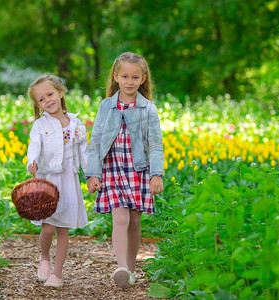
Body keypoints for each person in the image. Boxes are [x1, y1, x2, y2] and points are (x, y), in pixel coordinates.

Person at [86, 52, 164, 288]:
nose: (129, 82)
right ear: (116, 77)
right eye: (125, 76)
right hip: (113, 169)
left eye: (135, 77)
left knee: (135, 219)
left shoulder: (147, 108)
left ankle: (130, 269)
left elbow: (155, 143)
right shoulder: (106, 106)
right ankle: (120, 266)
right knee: (120, 217)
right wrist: (93, 173)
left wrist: (156, 174)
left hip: (138, 169)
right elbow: (97, 140)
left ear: (143, 79)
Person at [26, 74, 89, 287]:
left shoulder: (76, 124)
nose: (48, 100)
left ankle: (57, 274)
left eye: (50, 94)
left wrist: (90, 176)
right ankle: (45, 257)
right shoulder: (40, 125)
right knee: (47, 227)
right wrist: (32, 161)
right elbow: (34, 145)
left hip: (69, 181)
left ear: (61, 93)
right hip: (48, 181)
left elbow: (84, 152)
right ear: (38, 105)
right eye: (41, 99)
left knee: (63, 229)